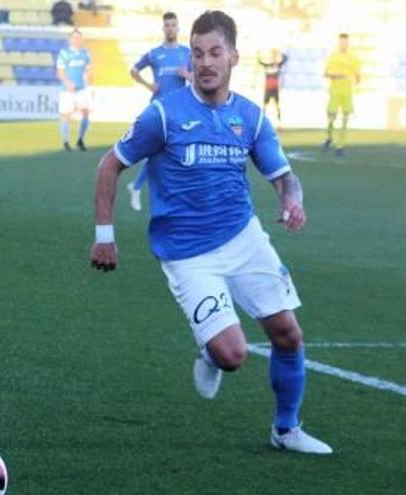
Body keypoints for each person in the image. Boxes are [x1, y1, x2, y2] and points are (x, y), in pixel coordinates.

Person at [90, 10, 332, 455]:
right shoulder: (162, 114)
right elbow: (110, 164)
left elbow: (283, 176)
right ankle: (212, 351)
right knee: (233, 355)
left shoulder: (250, 117)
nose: (205, 62)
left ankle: (286, 429)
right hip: (187, 254)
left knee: (289, 335)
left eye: (215, 52)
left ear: (234, 57)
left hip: (244, 238)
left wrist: (291, 200)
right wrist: (105, 234)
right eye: (198, 53)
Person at [126, 11, 191, 211]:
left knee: (172, 153)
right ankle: (140, 187)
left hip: (179, 110)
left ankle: (137, 186)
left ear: (178, 28)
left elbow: (199, 79)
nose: (171, 28)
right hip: (158, 109)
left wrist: (186, 74)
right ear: (163, 28)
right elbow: (133, 71)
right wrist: (148, 85)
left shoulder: (187, 53)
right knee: (159, 152)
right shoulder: (154, 53)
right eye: (168, 25)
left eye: (174, 25)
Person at [323, 33, 360, 157]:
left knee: (345, 118)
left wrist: (357, 80)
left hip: (347, 92)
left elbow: (357, 73)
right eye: (342, 42)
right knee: (331, 117)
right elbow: (326, 73)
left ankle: (340, 146)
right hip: (334, 92)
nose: (344, 44)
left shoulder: (353, 58)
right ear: (339, 43)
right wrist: (336, 76)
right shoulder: (332, 56)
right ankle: (329, 137)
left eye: (346, 42)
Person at [56, 29, 92, 151]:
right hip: (67, 90)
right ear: (70, 39)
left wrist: (89, 84)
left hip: (81, 89)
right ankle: (66, 142)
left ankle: (80, 140)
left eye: (79, 37)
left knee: (86, 113)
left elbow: (87, 71)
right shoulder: (64, 53)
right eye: (74, 37)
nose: (77, 40)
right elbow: (60, 71)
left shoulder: (85, 54)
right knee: (66, 116)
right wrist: (68, 83)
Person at [258, 48, 287, 126]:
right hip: (268, 89)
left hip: (275, 89)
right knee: (264, 106)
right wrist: (259, 54)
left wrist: (279, 53)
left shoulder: (277, 66)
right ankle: (261, 123)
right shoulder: (267, 66)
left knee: (277, 106)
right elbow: (259, 61)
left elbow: (285, 58)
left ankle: (279, 123)